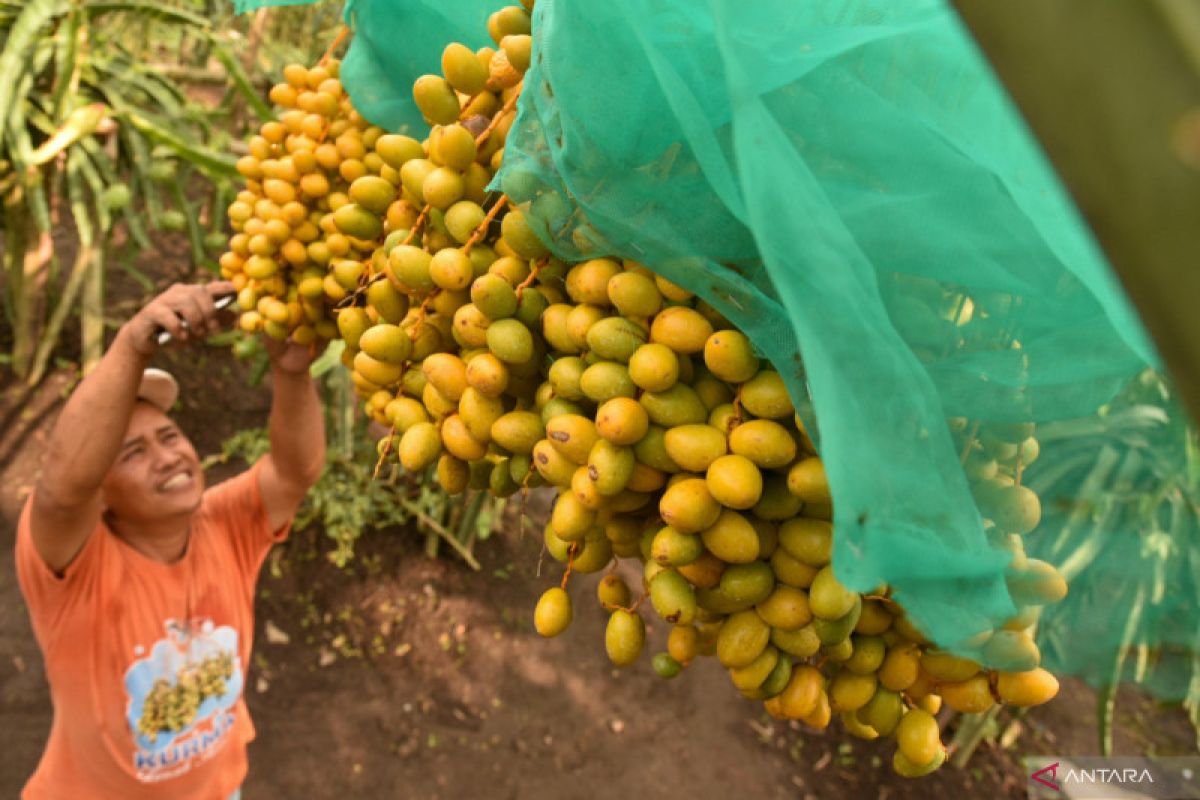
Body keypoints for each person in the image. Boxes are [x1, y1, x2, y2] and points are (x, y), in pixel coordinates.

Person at [14, 282, 326, 799]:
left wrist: (292, 374)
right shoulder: (74, 570)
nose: (167, 458)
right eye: (132, 453)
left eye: (169, 437)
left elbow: (294, 473)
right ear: (101, 493)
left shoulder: (225, 525)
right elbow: (62, 492)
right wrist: (133, 344)